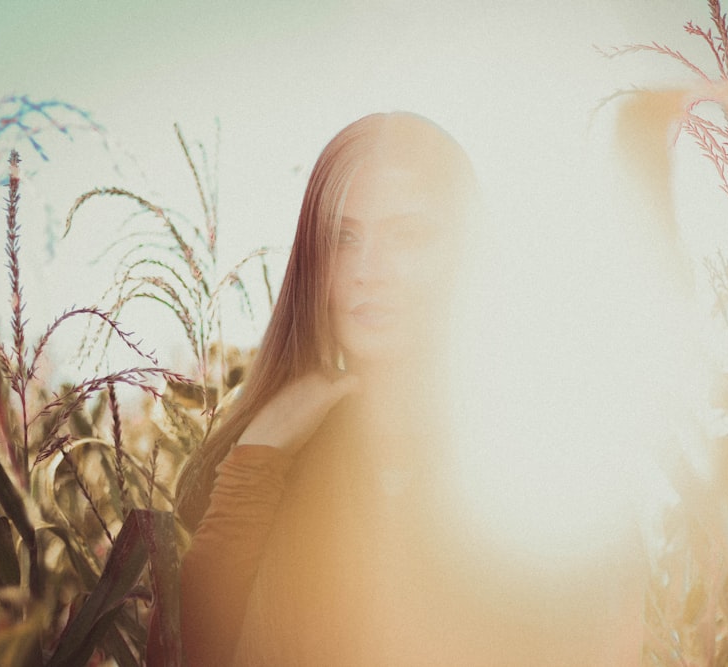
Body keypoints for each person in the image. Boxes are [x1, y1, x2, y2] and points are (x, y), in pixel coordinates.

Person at [174, 112, 642, 665]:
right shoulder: (264, 466)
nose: (368, 270)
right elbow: (187, 650)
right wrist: (260, 454)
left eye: (408, 235)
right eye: (343, 237)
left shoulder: (545, 470)